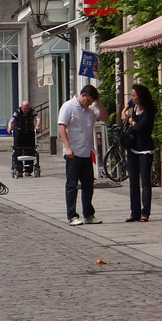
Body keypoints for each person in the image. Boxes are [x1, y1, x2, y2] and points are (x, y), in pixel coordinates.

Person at [57, 84, 103, 226]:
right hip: (74, 152)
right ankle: (72, 215)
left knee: (88, 185)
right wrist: (68, 147)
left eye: (91, 102)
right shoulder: (68, 107)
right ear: (83, 95)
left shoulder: (90, 110)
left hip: (86, 151)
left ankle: (88, 214)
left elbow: (104, 117)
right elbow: (61, 126)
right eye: (88, 100)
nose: (89, 104)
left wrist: (98, 101)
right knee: (72, 184)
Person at [122, 84, 157, 222]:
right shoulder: (134, 104)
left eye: (134, 96)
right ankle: (134, 212)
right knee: (133, 181)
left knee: (145, 181)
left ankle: (145, 212)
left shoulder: (148, 112)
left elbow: (140, 127)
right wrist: (124, 110)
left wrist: (130, 121)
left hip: (145, 149)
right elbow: (128, 104)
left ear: (141, 97)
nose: (132, 98)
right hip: (133, 148)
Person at [7, 100, 40, 176]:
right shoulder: (17, 112)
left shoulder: (32, 111)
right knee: (17, 151)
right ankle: (19, 170)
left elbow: (37, 118)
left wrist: (37, 125)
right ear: (21, 107)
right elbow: (11, 120)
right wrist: (9, 127)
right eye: (24, 108)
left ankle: (28, 170)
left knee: (30, 151)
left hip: (29, 133)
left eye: (27, 108)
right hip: (19, 134)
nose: (26, 110)